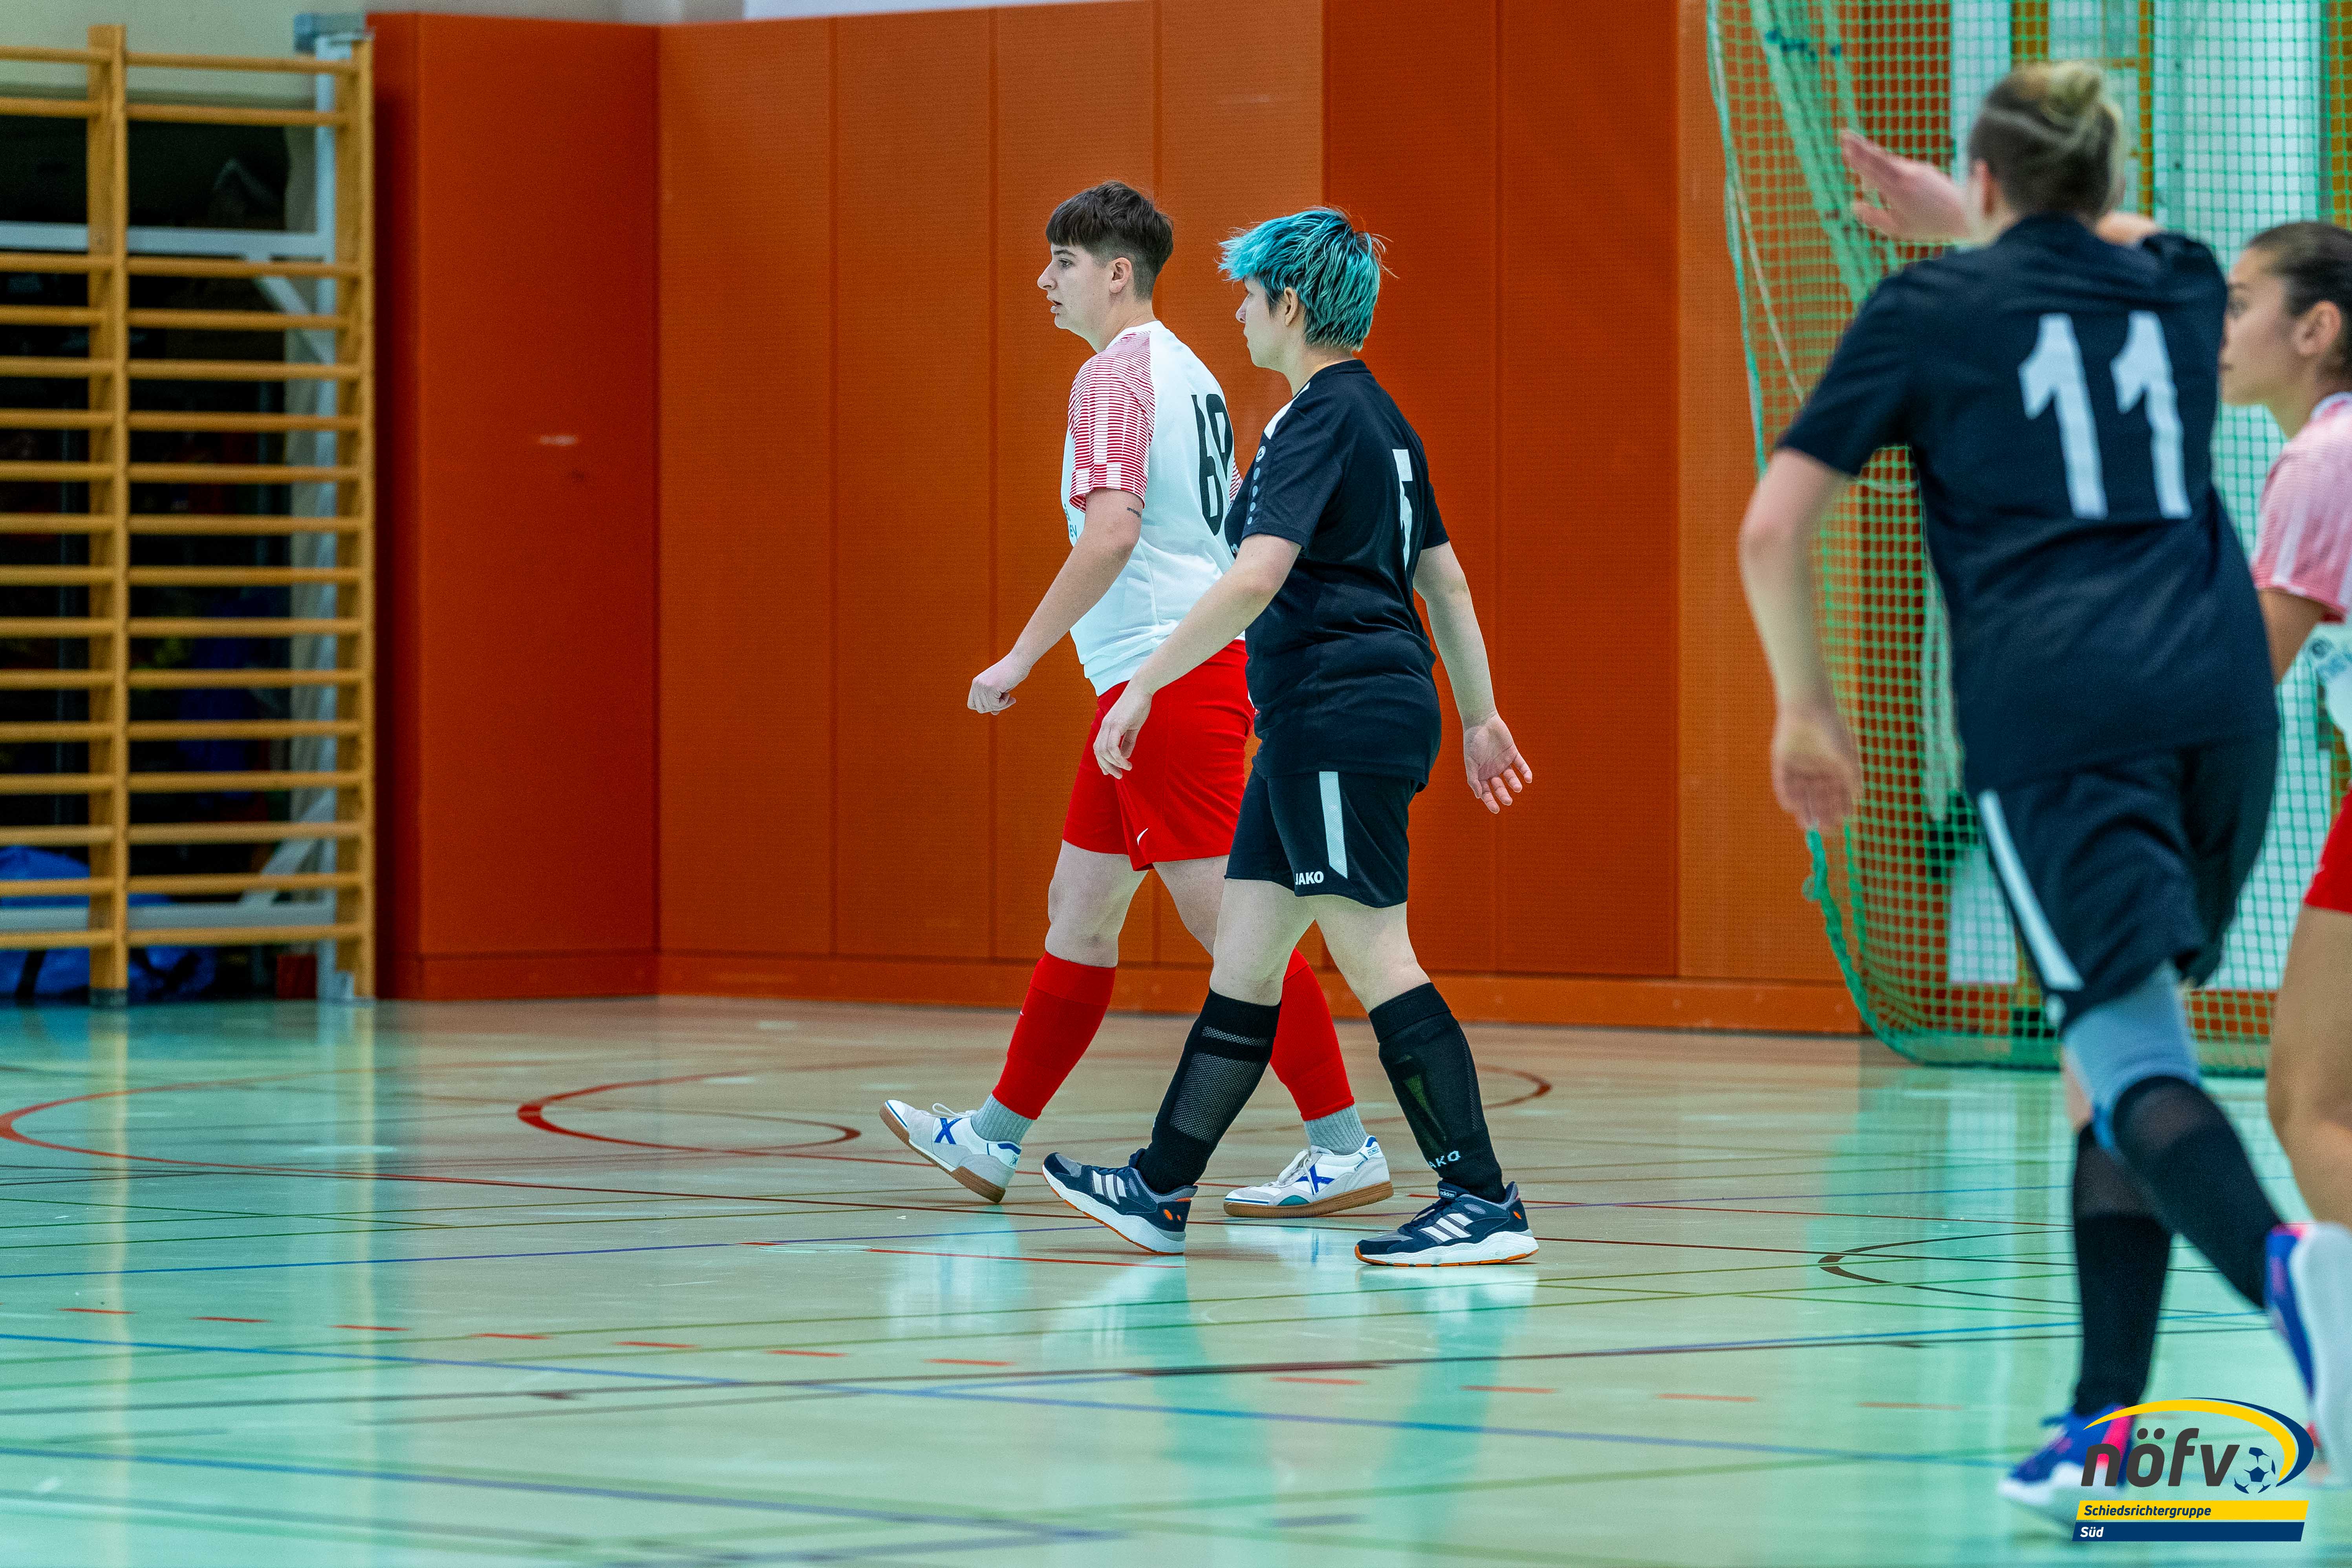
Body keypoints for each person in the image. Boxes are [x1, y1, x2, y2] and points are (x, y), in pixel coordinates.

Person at [1746, 65, 2348, 1524]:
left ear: (1988, 178)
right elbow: (2103, 237)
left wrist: (1806, 707)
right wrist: (1989, 210)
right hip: (2222, 711)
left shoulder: (1927, 310)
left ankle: (2302, 1285)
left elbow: (1773, 529)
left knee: (2128, 1054)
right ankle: (2104, 1423)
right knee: (2113, 1063)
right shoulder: (2180, 277)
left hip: (2065, 712)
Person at [1039, 207, 1539, 1266]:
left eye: (1250, 295)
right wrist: (1482, 715)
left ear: (1292, 306)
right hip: (1326, 718)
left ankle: (1480, 1198)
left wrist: (1144, 685)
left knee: (1377, 953)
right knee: (1246, 957)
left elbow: (1256, 576)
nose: (1238, 311)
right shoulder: (1384, 421)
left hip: (1336, 714)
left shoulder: (1319, 418)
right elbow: (1445, 584)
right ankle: (1161, 1186)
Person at [880, 182, 1390, 1221]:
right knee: (1081, 909)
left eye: (1062, 263)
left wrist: (1019, 656)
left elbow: (1112, 533)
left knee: (1240, 930)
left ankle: (1344, 1145)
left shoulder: (1112, 374)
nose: (1044, 280)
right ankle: (992, 1137)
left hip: (1166, 683)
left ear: (1116, 273)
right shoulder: (1191, 370)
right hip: (1153, 683)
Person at [2221, 218, 2352, 1459]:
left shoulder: (2323, 460)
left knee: (2310, 1099)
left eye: (2240, 302)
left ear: (2316, 329)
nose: (2218, 329)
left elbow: (2234, 687)